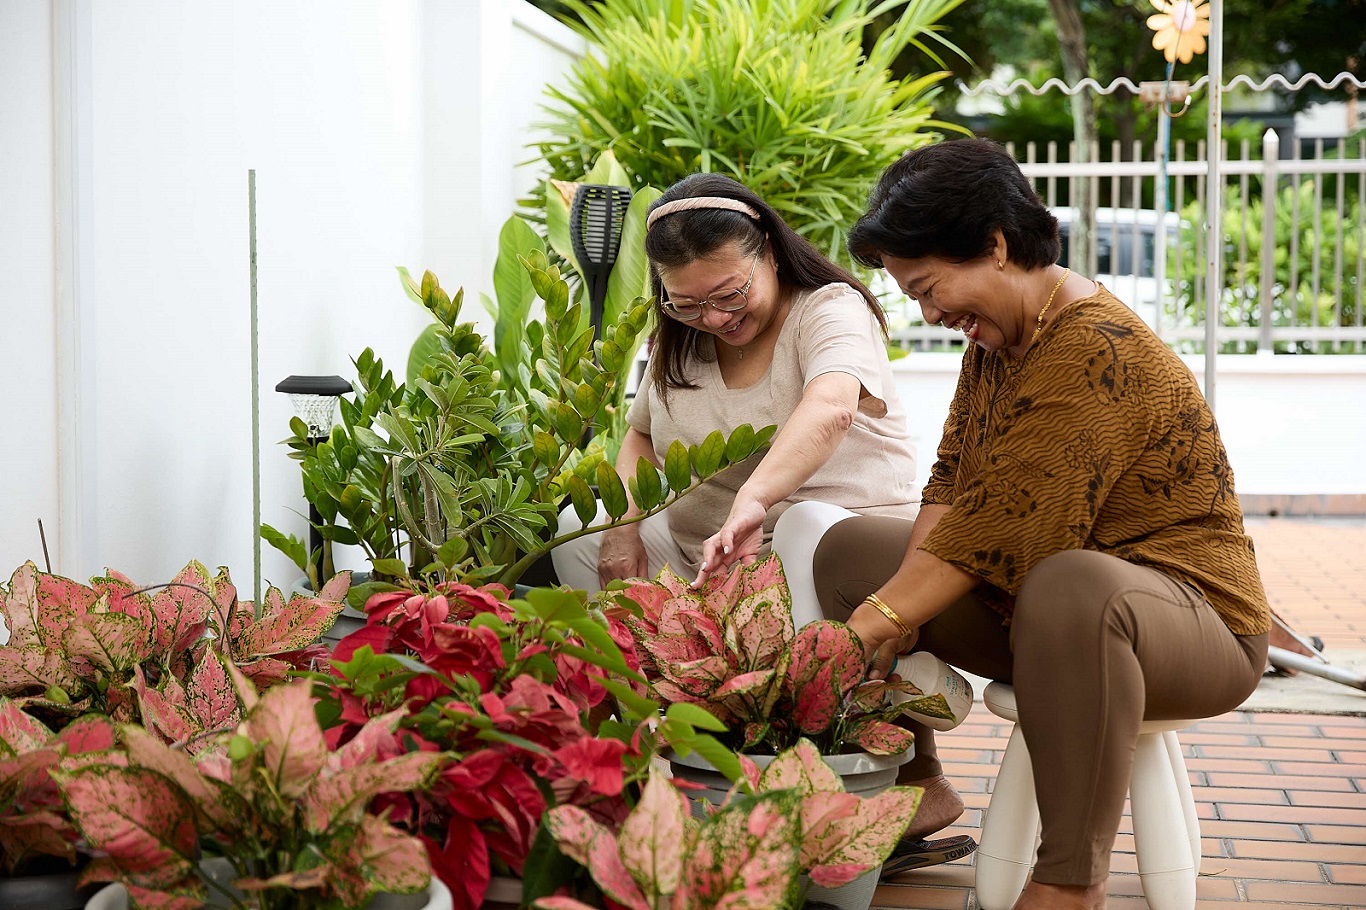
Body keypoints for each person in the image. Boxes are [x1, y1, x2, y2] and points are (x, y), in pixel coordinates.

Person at [765, 138, 1267, 910]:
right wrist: (892, 606)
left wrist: (875, 624)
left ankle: (1070, 880)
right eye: (914, 297)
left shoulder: (1095, 347)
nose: (931, 315)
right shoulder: (1005, 339)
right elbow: (951, 482)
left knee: (1072, 586)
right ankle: (909, 784)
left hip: (1194, 624)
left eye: (929, 287)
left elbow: (1008, 525)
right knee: (845, 550)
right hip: (1041, 605)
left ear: (996, 245)